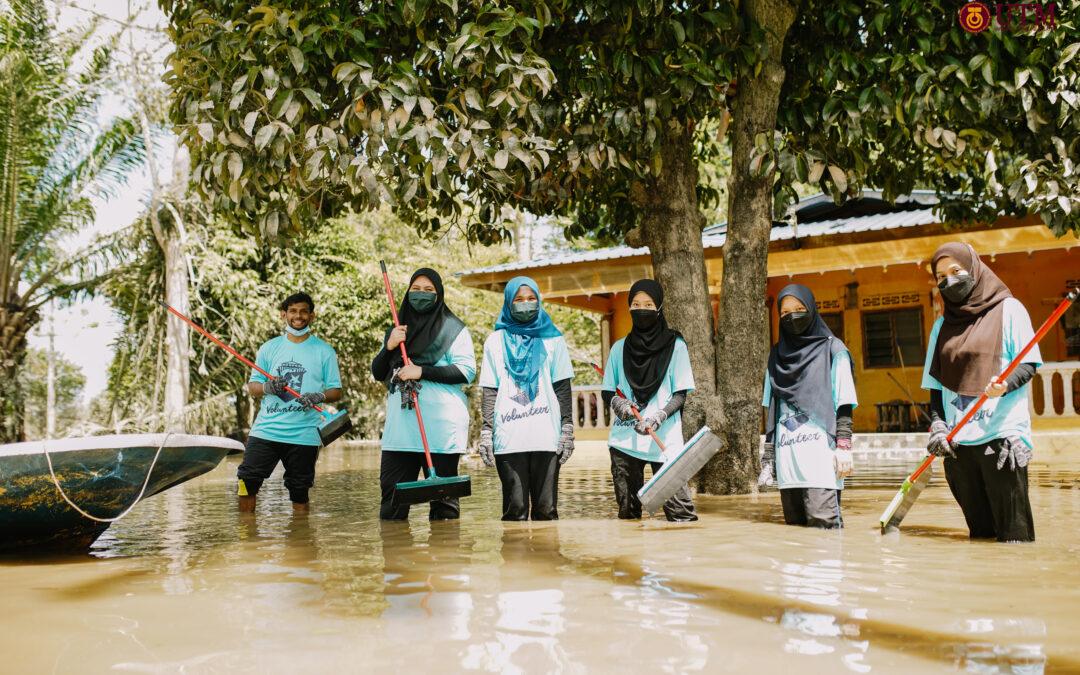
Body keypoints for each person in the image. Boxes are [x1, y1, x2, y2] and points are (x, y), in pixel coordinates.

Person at [922, 242, 1041, 542]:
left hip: (1002, 438)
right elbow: (935, 387)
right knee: (980, 538)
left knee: (1015, 539)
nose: (949, 281)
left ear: (974, 270)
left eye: (956, 271)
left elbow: (1028, 364)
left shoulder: (1009, 310)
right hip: (958, 446)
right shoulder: (940, 328)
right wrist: (938, 426)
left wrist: (1005, 384)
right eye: (941, 276)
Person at [371, 268, 476, 521]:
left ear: (439, 295)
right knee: (392, 505)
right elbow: (378, 372)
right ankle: (396, 547)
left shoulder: (453, 329)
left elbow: (466, 371)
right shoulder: (397, 330)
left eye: (429, 290)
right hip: (400, 432)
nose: (422, 294)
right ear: (407, 293)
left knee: (444, 508)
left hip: (440, 430)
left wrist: (422, 371)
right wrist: (389, 346)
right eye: (416, 289)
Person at [758, 284, 856, 529]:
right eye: (784, 312)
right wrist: (768, 458)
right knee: (796, 536)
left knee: (825, 530)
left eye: (799, 309)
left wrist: (844, 446)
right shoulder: (777, 356)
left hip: (822, 461)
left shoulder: (833, 350)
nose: (792, 316)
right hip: (788, 464)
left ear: (811, 309)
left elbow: (844, 403)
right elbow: (772, 410)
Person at [478, 276, 575, 521]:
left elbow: (562, 387)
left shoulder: (553, 339)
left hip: (547, 436)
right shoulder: (494, 341)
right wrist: (487, 432)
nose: (526, 304)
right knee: (515, 510)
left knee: (546, 510)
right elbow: (490, 390)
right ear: (508, 302)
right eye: (519, 299)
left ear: (539, 301)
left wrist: (567, 428)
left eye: (532, 299)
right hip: (508, 436)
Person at [601, 279, 697, 522]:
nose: (641, 309)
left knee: (681, 515)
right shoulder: (619, 348)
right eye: (636, 304)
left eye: (648, 304)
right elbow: (607, 391)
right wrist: (619, 404)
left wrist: (659, 416)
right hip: (624, 441)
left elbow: (680, 394)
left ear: (659, 307)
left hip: (664, 439)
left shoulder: (676, 346)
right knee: (628, 516)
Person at [238, 292, 343, 513]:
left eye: (304, 311)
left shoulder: (325, 351)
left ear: (312, 316)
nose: (298, 316)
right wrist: (267, 387)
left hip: (304, 434)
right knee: (246, 482)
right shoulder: (269, 348)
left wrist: (319, 396)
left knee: (299, 489)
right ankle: (246, 531)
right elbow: (252, 387)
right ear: (283, 315)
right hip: (266, 430)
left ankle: (301, 533)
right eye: (293, 311)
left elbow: (336, 391)